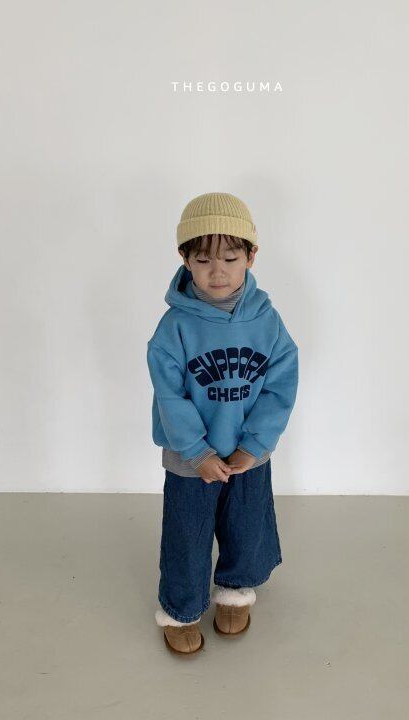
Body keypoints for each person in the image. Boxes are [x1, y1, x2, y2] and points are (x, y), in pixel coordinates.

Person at [147, 192, 299, 655]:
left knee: (246, 526)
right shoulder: (174, 328)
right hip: (190, 457)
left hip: (247, 454)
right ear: (185, 259)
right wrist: (197, 453)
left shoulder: (267, 321)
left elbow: (280, 386)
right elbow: (170, 397)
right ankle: (181, 609)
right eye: (203, 260)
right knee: (187, 535)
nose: (218, 272)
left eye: (230, 259)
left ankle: (235, 590)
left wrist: (255, 445)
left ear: (251, 256)